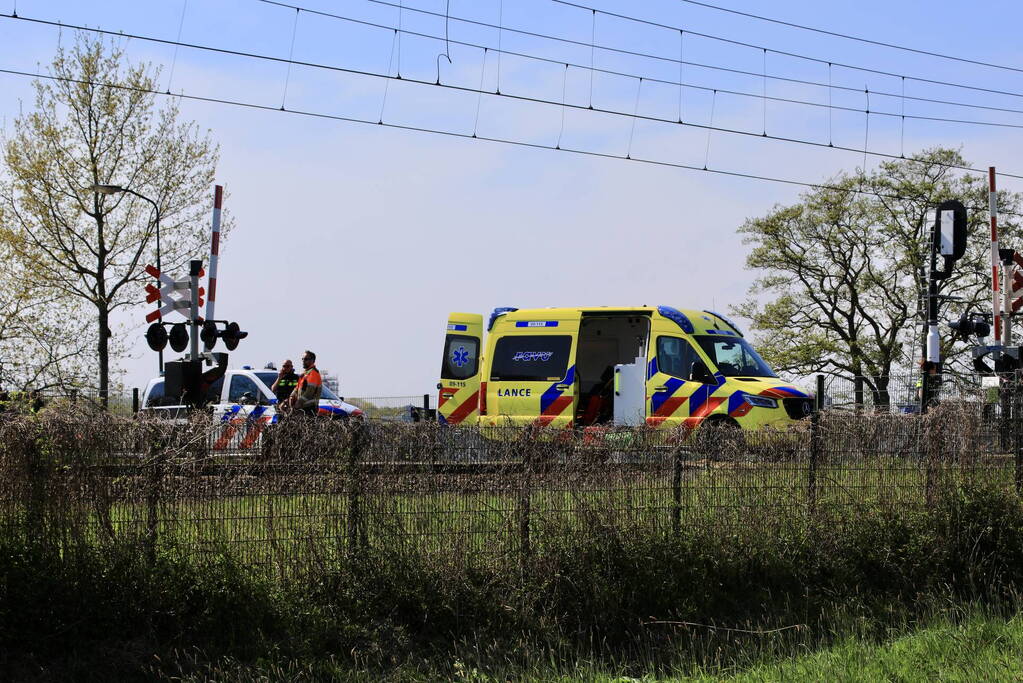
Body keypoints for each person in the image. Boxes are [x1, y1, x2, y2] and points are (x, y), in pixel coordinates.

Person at [287, 350, 322, 416]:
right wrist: (292, 396)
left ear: (312, 361)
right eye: (302, 359)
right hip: (302, 407)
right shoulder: (305, 374)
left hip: (309, 408)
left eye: (306, 359)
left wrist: (298, 403)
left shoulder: (313, 373)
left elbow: (309, 392)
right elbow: (297, 388)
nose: (303, 361)